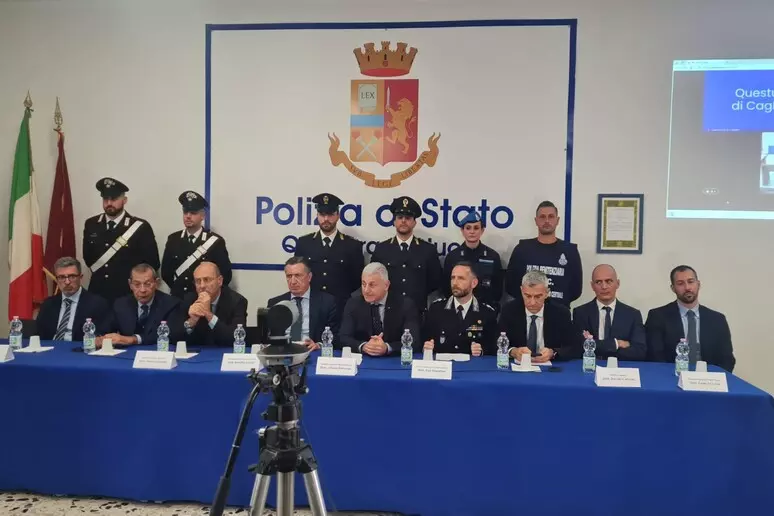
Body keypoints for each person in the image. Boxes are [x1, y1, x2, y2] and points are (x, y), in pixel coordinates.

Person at [82, 177, 160, 303]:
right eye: (105, 199)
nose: (109, 203)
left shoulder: (140, 227)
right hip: (98, 293)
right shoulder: (91, 224)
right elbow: (88, 257)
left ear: (124, 200)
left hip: (128, 295)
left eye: (113, 199)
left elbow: (152, 263)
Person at [645, 265, 735, 372]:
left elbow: (727, 359)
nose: (687, 288)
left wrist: (712, 378)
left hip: (709, 378)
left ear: (698, 284)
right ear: (673, 288)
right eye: (680, 283)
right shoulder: (658, 316)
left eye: (691, 282)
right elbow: (655, 357)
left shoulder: (717, 320)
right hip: (671, 377)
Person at [504, 200, 582, 308]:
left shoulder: (570, 251)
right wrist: (531, 301)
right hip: (526, 312)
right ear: (536, 221)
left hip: (559, 313)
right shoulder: (522, 249)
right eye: (542, 217)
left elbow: (576, 289)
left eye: (551, 216)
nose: (547, 221)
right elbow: (511, 285)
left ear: (557, 220)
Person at [370, 196, 442, 312]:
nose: (403, 221)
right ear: (394, 222)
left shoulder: (428, 250)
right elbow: (374, 280)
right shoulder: (381, 249)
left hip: (417, 311)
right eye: (400, 217)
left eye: (408, 218)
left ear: (414, 222)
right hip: (388, 312)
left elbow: (434, 282)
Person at [294, 193, 364, 309]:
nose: (326, 219)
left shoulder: (352, 246)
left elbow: (357, 280)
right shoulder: (304, 243)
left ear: (338, 216)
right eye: (322, 214)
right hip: (311, 307)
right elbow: (297, 275)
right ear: (317, 215)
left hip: (340, 307)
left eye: (330, 214)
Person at [339, 262, 420, 357]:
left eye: (372, 285)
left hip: (393, 360)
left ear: (386, 285)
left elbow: (414, 342)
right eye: (364, 284)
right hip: (364, 359)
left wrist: (387, 347)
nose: (366, 290)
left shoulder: (405, 305)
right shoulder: (353, 304)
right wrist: (364, 346)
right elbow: (343, 338)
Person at [161, 190, 232, 299]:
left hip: (203, 299)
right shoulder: (173, 239)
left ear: (202, 216)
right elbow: (166, 273)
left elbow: (225, 276)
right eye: (185, 212)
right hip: (178, 299)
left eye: (193, 213)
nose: (188, 216)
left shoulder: (215, 242)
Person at [499, 270, 581, 362]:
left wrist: (553, 353)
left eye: (538, 296)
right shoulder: (509, 310)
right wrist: (513, 351)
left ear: (547, 293)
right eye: (527, 296)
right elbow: (495, 342)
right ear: (521, 291)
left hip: (550, 366)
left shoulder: (561, 313)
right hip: (518, 365)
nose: (532, 302)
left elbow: (574, 347)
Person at [572, 264, 647, 361]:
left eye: (608, 281)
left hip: (621, 368)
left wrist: (598, 347)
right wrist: (617, 344)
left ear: (617, 283)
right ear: (592, 286)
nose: (604, 287)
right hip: (591, 366)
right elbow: (579, 348)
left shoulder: (633, 315)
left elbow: (640, 351)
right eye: (598, 282)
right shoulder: (580, 313)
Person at [423, 262, 498, 356]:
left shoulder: (486, 313)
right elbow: (425, 339)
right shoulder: (436, 309)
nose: (455, 282)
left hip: (472, 364)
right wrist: (426, 347)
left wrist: (481, 350)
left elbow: (493, 346)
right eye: (453, 278)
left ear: (474, 283)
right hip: (443, 363)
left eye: (461, 278)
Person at [267, 256, 339, 351]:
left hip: (311, 351)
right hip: (282, 351)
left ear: (309, 277)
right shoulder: (275, 303)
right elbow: (268, 335)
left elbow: (336, 335)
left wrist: (319, 345)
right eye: (289, 276)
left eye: (298, 275)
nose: (293, 281)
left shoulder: (327, 302)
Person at [100, 264, 180, 347]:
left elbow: (172, 335)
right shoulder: (120, 304)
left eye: (147, 284)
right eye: (137, 284)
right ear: (130, 284)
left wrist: (134, 339)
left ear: (156, 283)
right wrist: (100, 339)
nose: (142, 290)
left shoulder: (171, 304)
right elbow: (105, 330)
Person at [36, 257, 111, 341]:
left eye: (72, 276)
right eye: (62, 277)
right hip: (51, 347)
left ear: (80, 277)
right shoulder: (48, 304)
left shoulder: (98, 304)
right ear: (57, 279)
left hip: (80, 348)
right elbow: (39, 335)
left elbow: (101, 336)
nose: (67, 282)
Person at [442, 211, 503, 312]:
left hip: (485, 309)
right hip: (458, 309)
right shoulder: (453, 257)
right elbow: (446, 287)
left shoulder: (492, 256)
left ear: (482, 230)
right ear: (462, 231)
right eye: (468, 228)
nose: (472, 231)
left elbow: (498, 289)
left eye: (476, 228)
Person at [179, 262, 247, 347]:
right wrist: (191, 321)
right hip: (198, 352)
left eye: (207, 280)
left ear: (220, 281)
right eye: (198, 281)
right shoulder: (189, 300)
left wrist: (208, 315)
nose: (202, 286)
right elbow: (176, 338)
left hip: (224, 351)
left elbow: (236, 338)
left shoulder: (237, 301)